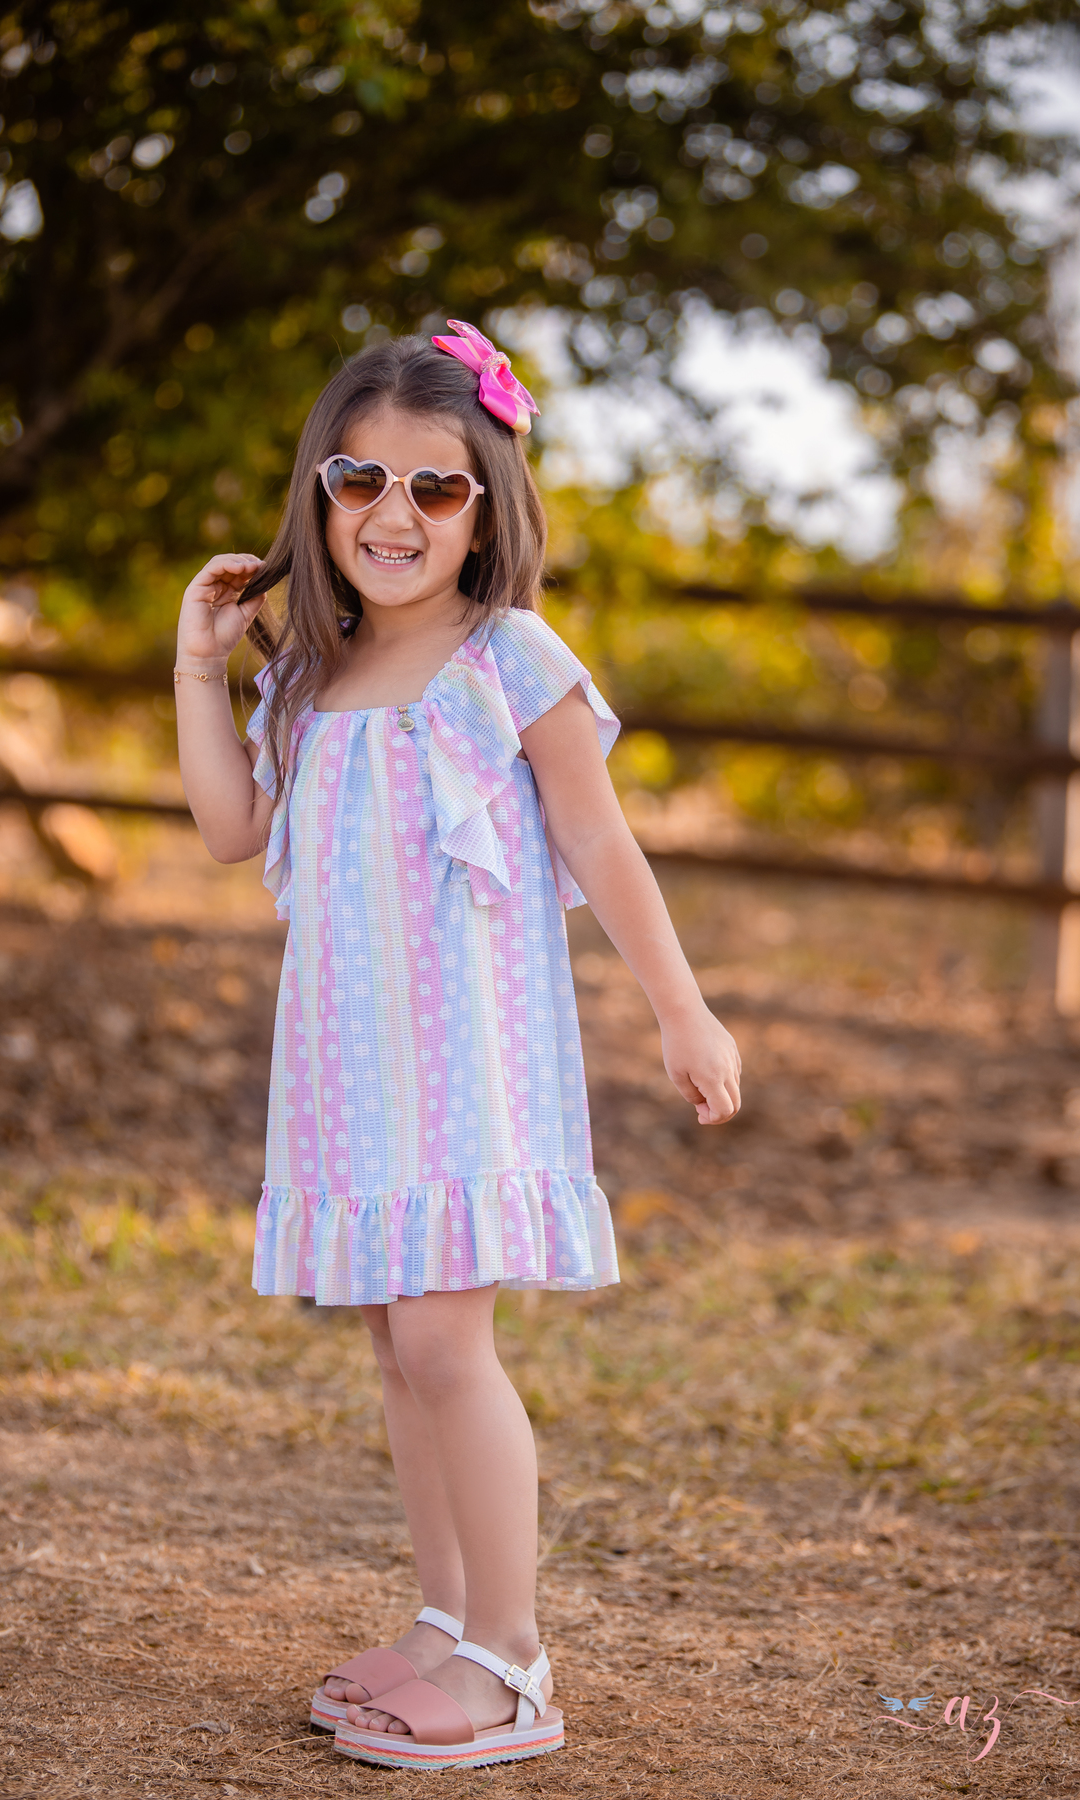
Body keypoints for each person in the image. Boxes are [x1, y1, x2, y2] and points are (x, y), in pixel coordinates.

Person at [173, 321, 742, 1771]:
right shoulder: (308, 678)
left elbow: (603, 847)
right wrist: (198, 668)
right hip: (348, 1067)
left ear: (486, 507)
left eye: (436, 487)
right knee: (394, 1342)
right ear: (320, 494)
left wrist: (682, 1008)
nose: (396, 513)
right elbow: (233, 831)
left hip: (470, 1064)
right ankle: (446, 1621)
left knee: (443, 1337)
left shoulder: (509, 660)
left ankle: (513, 1656)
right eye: (361, 480)